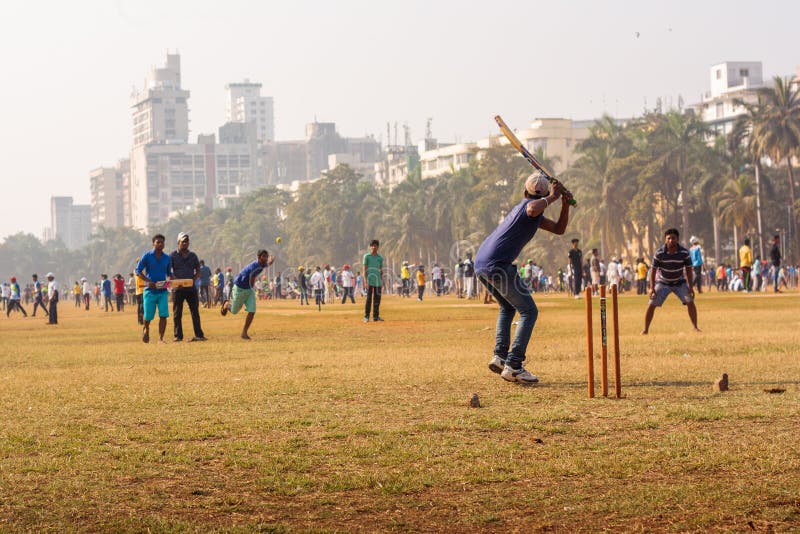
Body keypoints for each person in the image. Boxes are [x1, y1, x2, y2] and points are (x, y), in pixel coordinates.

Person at [475, 172, 573, 385]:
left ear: (523, 191)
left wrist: (564, 204)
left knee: (508, 308)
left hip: (482, 264)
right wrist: (553, 198)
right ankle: (514, 365)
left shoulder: (529, 213)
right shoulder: (527, 208)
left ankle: (500, 357)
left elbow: (558, 229)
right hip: (497, 265)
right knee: (529, 311)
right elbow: (532, 207)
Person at [641, 228, 700, 335]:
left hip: (679, 282)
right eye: (668, 238)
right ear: (665, 240)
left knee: (690, 301)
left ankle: (695, 327)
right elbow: (653, 271)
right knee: (651, 304)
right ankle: (645, 330)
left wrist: (690, 287)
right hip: (663, 282)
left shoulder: (684, 253)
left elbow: (688, 270)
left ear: (677, 239)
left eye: (673, 238)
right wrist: (651, 288)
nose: (671, 240)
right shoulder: (659, 253)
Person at [221, 249, 274, 339]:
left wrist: (270, 262)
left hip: (249, 289)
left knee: (252, 311)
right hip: (239, 288)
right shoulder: (253, 266)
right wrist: (254, 287)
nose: (265, 258)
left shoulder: (262, 263)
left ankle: (244, 332)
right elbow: (249, 278)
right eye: (263, 256)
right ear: (258, 257)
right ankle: (226, 304)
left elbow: (266, 265)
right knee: (234, 311)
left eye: (266, 256)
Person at [136, 234, 174, 343]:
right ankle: (146, 328)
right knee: (148, 316)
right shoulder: (147, 256)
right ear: (153, 243)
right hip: (149, 291)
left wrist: (172, 280)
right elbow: (138, 271)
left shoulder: (167, 258)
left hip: (162, 290)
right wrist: (149, 281)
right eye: (158, 242)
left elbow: (169, 273)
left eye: (162, 242)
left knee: (163, 315)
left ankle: (161, 339)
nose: (160, 244)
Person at [170, 232, 207, 342]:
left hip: (191, 288)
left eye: (187, 241)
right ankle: (178, 336)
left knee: (195, 311)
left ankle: (199, 335)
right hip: (178, 289)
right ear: (178, 242)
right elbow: (169, 271)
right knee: (177, 312)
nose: (185, 243)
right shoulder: (172, 256)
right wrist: (175, 280)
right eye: (183, 241)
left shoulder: (193, 256)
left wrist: (194, 280)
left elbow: (198, 270)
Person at [362, 239, 384, 322]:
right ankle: (366, 316)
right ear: (370, 246)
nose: (374, 247)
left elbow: (381, 270)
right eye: (372, 246)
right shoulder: (366, 256)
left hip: (378, 281)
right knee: (369, 299)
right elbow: (364, 270)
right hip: (369, 281)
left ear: (378, 247)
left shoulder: (380, 258)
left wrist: (382, 281)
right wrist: (365, 281)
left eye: (375, 245)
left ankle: (376, 316)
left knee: (377, 299)